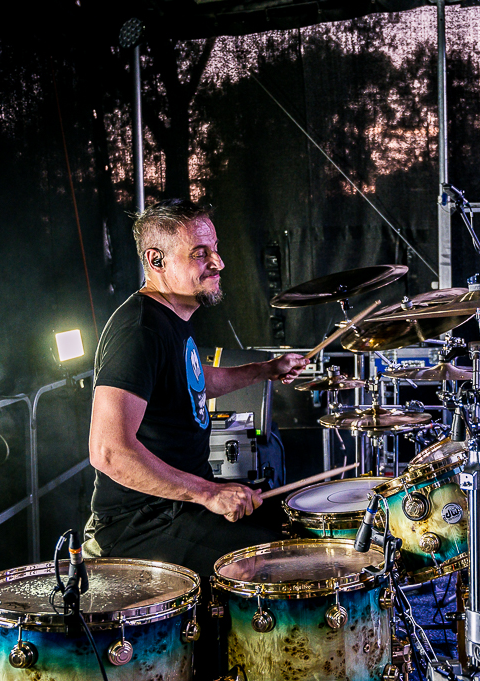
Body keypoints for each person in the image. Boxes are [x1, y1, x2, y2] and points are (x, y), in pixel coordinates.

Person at [82, 199, 308, 679]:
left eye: (215, 249)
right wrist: (208, 492)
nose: (218, 263)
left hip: (176, 510)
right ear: (157, 260)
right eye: (200, 253)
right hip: (137, 524)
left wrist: (266, 369)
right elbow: (108, 451)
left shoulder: (171, 321)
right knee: (264, 566)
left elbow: (195, 380)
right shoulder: (139, 331)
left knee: (299, 531)